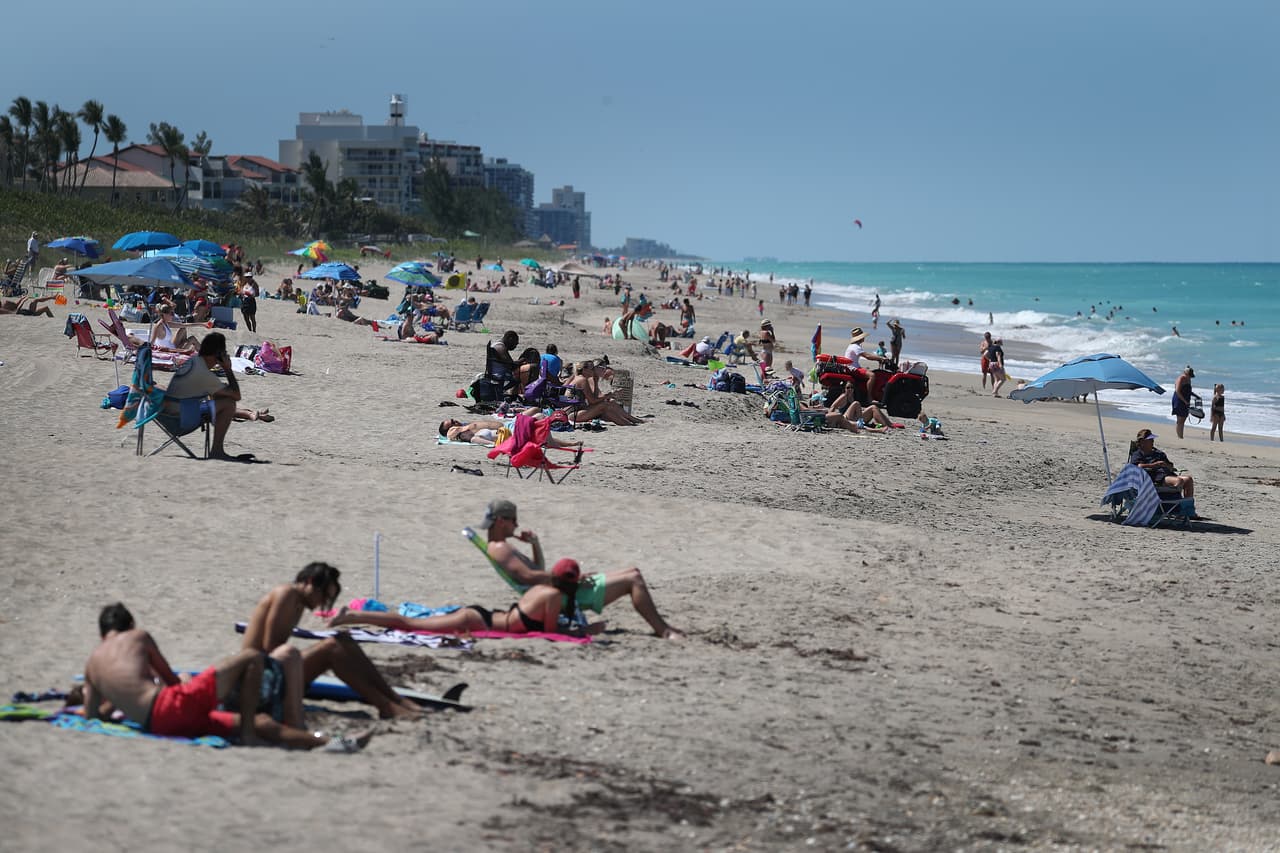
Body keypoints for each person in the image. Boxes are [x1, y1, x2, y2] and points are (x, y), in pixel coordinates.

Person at [81, 602, 369, 751]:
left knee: (262, 722)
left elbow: (92, 715)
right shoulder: (137, 637)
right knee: (251, 657)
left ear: (102, 633)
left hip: (159, 724)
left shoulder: (92, 664)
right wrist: (183, 680)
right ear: (130, 624)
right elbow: (171, 682)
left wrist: (119, 705)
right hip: (172, 705)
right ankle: (249, 735)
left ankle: (330, 743)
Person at [239, 562, 422, 724]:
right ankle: (386, 706)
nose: (322, 603)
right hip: (260, 681)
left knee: (343, 640)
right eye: (324, 595)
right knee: (332, 647)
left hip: (272, 673)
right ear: (310, 582)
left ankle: (395, 699)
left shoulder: (297, 601)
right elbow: (271, 649)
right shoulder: (286, 594)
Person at [478, 500, 683, 639]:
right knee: (633, 579)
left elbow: (537, 570)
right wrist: (567, 579)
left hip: (558, 587)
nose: (516, 524)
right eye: (514, 520)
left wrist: (535, 544)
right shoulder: (501, 548)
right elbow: (528, 576)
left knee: (633, 570)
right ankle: (664, 630)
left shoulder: (502, 547)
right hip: (564, 593)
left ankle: (663, 628)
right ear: (501, 521)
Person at [329, 558, 586, 637]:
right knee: (409, 624)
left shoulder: (542, 587)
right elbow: (550, 632)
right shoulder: (553, 596)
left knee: (411, 623)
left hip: (479, 616)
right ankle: (351, 616)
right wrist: (584, 631)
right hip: (477, 621)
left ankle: (353, 615)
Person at [163, 332, 251, 461]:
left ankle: (217, 449)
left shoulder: (194, 363)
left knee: (221, 399)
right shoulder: (202, 373)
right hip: (180, 420)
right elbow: (236, 395)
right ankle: (217, 451)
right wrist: (227, 369)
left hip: (170, 415)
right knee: (228, 403)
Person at [1129, 429, 1199, 517]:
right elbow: (1137, 466)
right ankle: (1174, 507)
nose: (1153, 441)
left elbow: (1170, 465)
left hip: (1166, 475)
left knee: (1188, 480)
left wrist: (1168, 466)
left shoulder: (1158, 453)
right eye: (1150, 440)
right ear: (1142, 442)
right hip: (1154, 478)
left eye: (1152, 439)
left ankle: (1188, 510)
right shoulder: (1138, 454)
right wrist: (1154, 465)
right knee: (1179, 481)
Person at [1172, 365, 1194, 439]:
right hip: (1179, 400)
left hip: (1186, 401)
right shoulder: (1181, 378)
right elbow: (1177, 391)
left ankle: (1181, 436)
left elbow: (1188, 391)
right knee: (1180, 420)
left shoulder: (1189, 379)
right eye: (1189, 375)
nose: (1190, 377)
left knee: (1184, 418)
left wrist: (1196, 396)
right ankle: (1180, 437)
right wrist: (1185, 401)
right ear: (1185, 373)